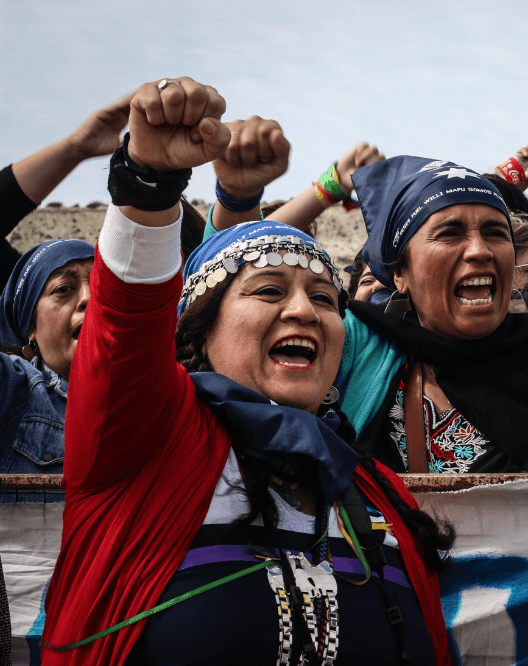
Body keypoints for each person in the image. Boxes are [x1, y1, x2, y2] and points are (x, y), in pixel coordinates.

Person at [42, 77, 454, 666]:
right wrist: (149, 178)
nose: (302, 311)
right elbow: (125, 320)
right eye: (267, 290)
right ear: (199, 333)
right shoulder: (144, 444)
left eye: (324, 298)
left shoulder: (376, 492)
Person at [334, 153, 528, 474]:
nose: (480, 250)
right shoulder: (359, 353)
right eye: (450, 233)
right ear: (400, 274)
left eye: (495, 233)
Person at [0, 92, 129, 287]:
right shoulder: (21, 295)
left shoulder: (24, 290)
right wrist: (77, 147)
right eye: (64, 290)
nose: (85, 298)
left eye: (93, 286)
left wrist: (77, 147)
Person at [0, 238, 93, 489]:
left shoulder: (161, 391)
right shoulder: (12, 390)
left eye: (102, 286)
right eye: (63, 289)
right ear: (30, 327)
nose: (89, 298)